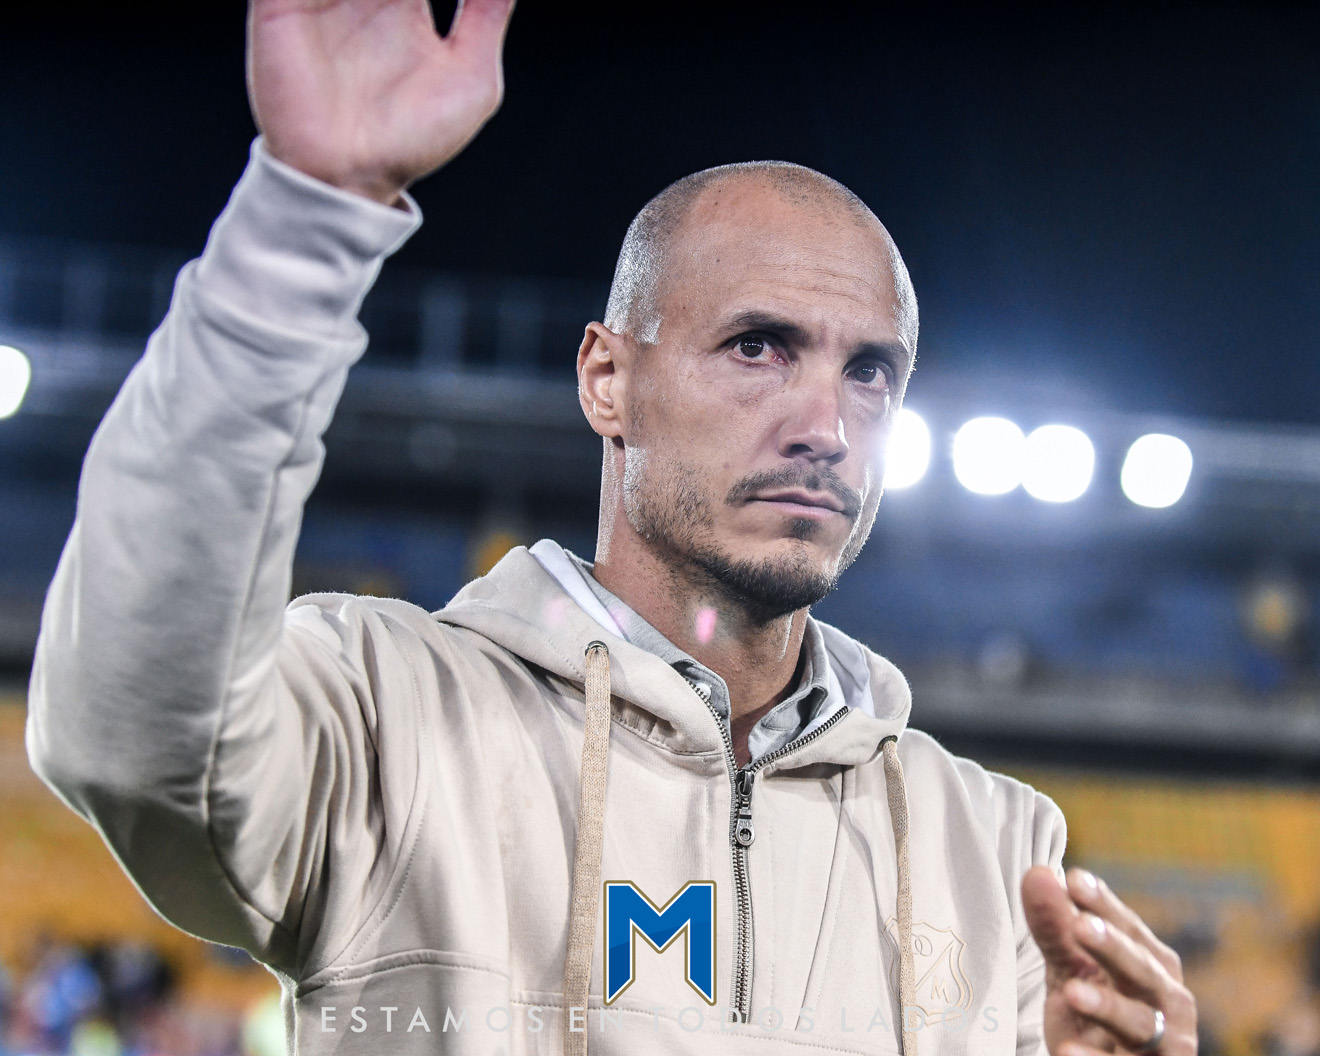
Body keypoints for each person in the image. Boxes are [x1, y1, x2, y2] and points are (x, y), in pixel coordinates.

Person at [25, 1, 1197, 1054]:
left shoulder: (994, 848)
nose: (828, 427)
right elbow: (134, 735)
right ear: (606, 380)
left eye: (871, 373)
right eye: (759, 347)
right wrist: (303, 218)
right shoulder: (391, 719)